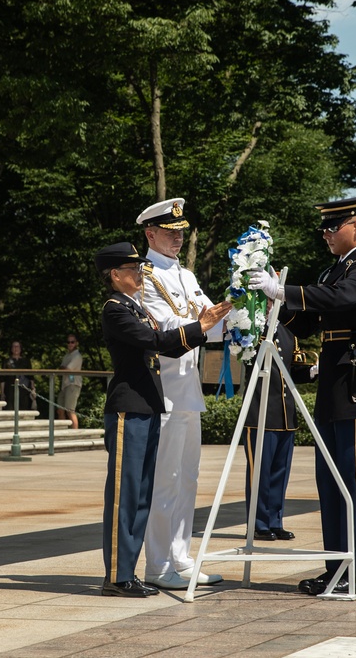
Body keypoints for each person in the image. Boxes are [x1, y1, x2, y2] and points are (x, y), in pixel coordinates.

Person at [250, 194, 356, 597]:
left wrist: (285, 290)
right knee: (330, 479)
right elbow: (309, 320)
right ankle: (337, 567)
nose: (327, 234)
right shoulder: (335, 271)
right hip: (335, 382)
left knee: (355, 477)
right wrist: (266, 304)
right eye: (325, 228)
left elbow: (341, 299)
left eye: (334, 227)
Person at [94, 242, 231, 597]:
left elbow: (169, 344)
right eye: (133, 269)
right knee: (125, 496)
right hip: (128, 407)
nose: (140, 273)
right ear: (114, 275)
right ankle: (117, 577)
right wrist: (199, 326)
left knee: (141, 496)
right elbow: (155, 340)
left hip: (148, 406)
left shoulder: (135, 306)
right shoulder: (115, 309)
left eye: (140, 268)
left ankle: (130, 572)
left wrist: (205, 326)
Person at [137, 197, 225, 591]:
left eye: (180, 233)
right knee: (165, 481)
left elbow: (212, 322)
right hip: (164, 391)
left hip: (188, 391)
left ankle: (181, 557)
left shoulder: (187, 276)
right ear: (150, 233)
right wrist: (205, 322)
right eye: (170, 233)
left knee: (187, 478)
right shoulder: (143, 275)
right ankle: (157, 565)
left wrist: (242, 312)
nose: (177, 239)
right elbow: (167, 325)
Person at [244, 316, 314, 541]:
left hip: (286, 415)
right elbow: (246, 360)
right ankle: (259, 523)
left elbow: (291, 371)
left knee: (279, 473)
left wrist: (313, 371)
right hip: (261, 412)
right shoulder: (250, 326)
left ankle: (275, 521)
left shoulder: (287, 332)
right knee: (261, 473)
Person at [58, 334, 83, 429]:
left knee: (70, 410)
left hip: (73, 384)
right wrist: (64, 368)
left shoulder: (77, 356)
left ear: (76, 343)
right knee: (60, 410)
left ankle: (75, 435)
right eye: (68, 342)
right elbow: (62, 368)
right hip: (64, 385)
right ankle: (62, 433)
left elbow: (66, 369)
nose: (70, 344)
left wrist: (64, 368)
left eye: (72, 342)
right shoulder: (67, 355)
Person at [2, 341, 33, 412]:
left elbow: (31, 376)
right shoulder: (6, 361)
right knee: (10, 409)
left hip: (24, 388)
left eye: (17, 346)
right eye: (14, 346)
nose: (16, 348)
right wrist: (2, 392)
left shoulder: (26, 361)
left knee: (23, 409)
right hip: (10, 389)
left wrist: (33, 389)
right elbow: (2, 378)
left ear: (21, 348)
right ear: (11, 349)